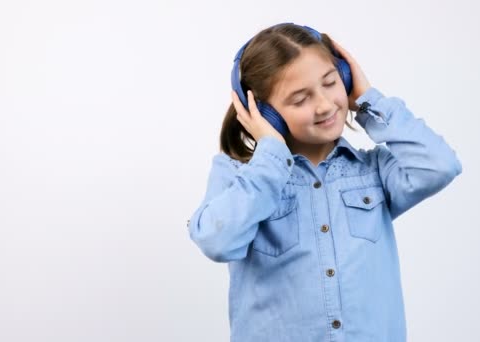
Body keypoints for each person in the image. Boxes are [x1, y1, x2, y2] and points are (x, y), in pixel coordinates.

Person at [187, 22, 462, 342]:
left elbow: (440, 166)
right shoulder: (238, 177)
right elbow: (217, 241)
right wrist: (270, 155)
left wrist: (370, 101)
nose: (324, 105)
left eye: (331, 83)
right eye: (300, 99)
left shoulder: (374, 171)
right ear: (264, 114)